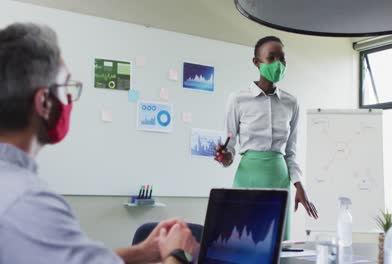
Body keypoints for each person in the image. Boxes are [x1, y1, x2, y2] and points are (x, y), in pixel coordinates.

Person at [0, 23, 197, 264]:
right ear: (44, 102)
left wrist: (143, 253)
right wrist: (179, 254)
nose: (70, 99)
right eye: (66, 88)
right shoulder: (28, 203)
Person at [215, 36, 319, 240]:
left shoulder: (291, 103)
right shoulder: (237, 99)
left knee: (277, 244)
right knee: (243, 242)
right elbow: (229, 149)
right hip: (248, 178)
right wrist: (225, 157)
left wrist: (299, 185)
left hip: (279, 179)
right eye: (271, 58)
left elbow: (290, 152)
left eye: (282, 58)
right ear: (257, 62)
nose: (278, 64)